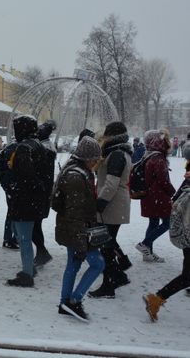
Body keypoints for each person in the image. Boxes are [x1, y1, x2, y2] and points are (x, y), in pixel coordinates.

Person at [55, 137, 104, 322]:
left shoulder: (80, 172)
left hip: (76, 229)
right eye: (96, 159)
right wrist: (80, 242)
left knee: (73, 265)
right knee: (98, 264)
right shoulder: (76, 176)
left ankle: (65, 303)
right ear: (88, 158)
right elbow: (74, 213)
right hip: (77, 230)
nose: (97, 163)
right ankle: (73, 300)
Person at [89, 121, 133, 298]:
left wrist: (101, 202)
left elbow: (112, 183)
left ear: (112, 135)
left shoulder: (116, 154)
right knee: (107, 242)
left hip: (112, 205)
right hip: (115, 204)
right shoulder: (120, 151)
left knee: (105, 245)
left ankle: (111, 283)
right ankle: (117, 275)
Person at [143, 162, 190, 322]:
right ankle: (156, 299)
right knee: (188, 276)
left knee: (188, 276)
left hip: (187, 233)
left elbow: (175, 200)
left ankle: (156, 299)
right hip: (188, 234)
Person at [6, 115, 49, 287]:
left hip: (23, 200)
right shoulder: (38, 144)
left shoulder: (24, 148)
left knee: (23, 237)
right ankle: (29, 267)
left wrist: (13, 185)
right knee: (24, 234)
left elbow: (25, 176)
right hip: (34, 199)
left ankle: (27, 274)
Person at [135, 130, 175, 263]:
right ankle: (145, 244)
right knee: (167, 223)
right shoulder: (157, 158)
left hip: (149, 197)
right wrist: (172, 192)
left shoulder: (148, 155)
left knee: (153, 223)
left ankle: (148, 254)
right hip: (159, 197)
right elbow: (163, 180)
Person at [33, 120, 57, 266]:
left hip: (39, 194)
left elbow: (40, 173)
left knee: (34, 226)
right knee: (36, 225)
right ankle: (42, 253)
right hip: (43, 194)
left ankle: (42, 252)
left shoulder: (43, 150)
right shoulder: (48, 148)